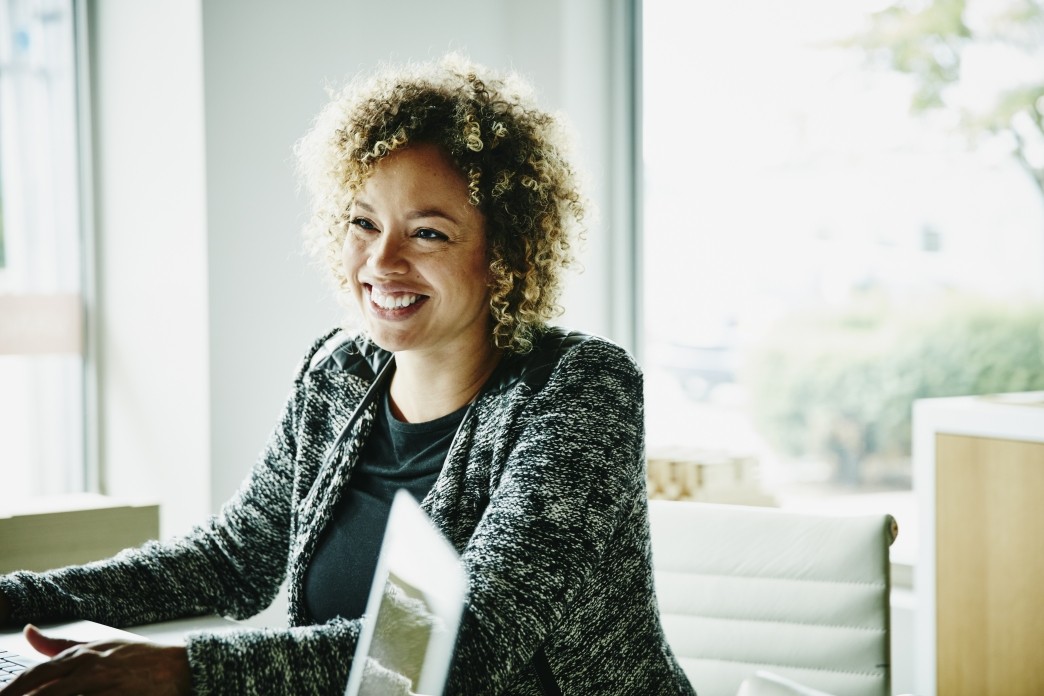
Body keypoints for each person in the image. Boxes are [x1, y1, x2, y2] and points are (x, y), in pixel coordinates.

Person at [0, 54, 695, 695]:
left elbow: (470, 641)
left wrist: (183, 672)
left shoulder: (580, 391)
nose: (382, 261)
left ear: (504, 253)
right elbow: (228, 561)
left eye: (428, 233)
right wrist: (17, 598)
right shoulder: (339, 373)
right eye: (365, 223)